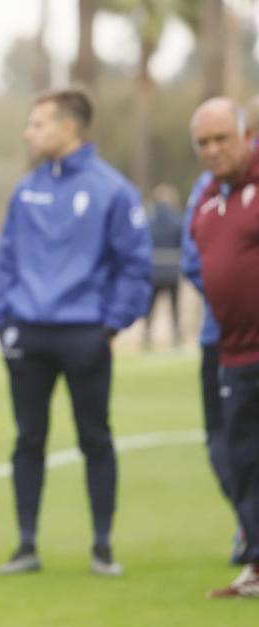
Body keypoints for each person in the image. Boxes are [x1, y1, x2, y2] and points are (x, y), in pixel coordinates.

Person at [0, 88, 152, 577]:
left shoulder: (113, 190)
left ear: (68, 127)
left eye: (38, 124)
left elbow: (135, 265)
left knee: (95, 438)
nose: (29, 132)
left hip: (85, 334)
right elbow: (7, 258)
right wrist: (6, 319)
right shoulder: (26, 189)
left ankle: (102, 547)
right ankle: (26, 546)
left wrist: (110, 324)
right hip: (28, 334)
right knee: (27, 440)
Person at [187, 97, 259, 598]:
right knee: (242, 461)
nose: (213, 150)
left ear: (245, 136)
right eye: (203, 143)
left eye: (222, 139)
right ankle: (255, 564)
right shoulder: (208, 204)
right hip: (232, 353)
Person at [180, 169, 245, 565]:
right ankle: (248, 522)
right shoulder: (208, 186)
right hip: (220, 336)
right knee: (222, 440)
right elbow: (194, 255)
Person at [143, 183, 183, 349]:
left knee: (150, 307)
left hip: (154, 270)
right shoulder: (177, 220)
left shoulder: (148, 220)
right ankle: (176, 337)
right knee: (174, 306)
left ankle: (146, 337)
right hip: (172, 270)